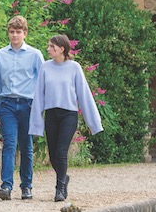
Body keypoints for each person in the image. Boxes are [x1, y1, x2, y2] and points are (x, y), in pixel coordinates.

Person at [29, 34, 103, 203]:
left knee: (61, 152)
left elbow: (84, 95)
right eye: (48, 46)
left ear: (62, 49)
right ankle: (64, 177)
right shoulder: (45, 68)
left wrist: (93, 123)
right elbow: (39, 95)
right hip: (51, 114)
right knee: (53, 154)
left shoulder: (74, 68)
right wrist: (36, 122)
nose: (48, 49)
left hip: (68, 114)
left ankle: (60, 188)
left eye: (52, 47)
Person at [0, 15, 43, 200]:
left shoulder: (35, 55)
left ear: (25, 33)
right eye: (12, 32)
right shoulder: (0, 55)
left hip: (28, 105)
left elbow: (41, 83)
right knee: (9, 144)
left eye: (18, 32)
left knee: (26, 146)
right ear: (8, 33)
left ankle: (26, 186)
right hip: (7, 104)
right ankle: (6, 186)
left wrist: (39, 109)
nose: (15, 36)